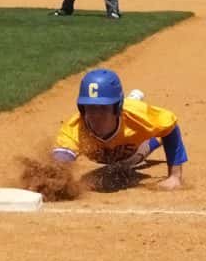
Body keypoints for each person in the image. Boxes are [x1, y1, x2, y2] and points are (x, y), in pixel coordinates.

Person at [52, 69, 187, 190]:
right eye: (91, 107)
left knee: (129, 160)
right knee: (122, 162)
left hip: (131, 145)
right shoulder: (74, 129)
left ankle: (136, 107)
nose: (96, 116)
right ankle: (133, 101)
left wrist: (175, 176)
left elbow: (170, 126)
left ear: (117, 108)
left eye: (103, 108)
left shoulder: (139, 118)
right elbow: (60, 160)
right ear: (82, 109)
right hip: (123, 142)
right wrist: (53, 179)